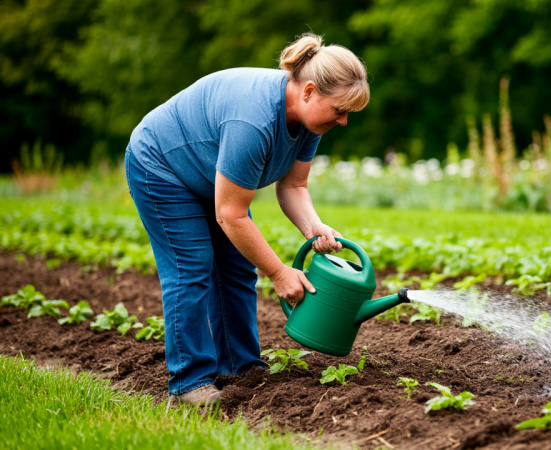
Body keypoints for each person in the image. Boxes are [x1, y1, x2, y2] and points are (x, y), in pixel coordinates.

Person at [124, 33, 368, 407]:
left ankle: (240, 368)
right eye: (339, 110)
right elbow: (231, 213)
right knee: (192, 267)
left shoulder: (310, 121)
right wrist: (278, 272)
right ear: (309, 92)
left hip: (208, 175)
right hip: (161, 166)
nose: (344, 121)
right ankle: (189, 384)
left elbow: (294, 187)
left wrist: (313, 227)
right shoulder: (253, 120)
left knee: (236, 268)